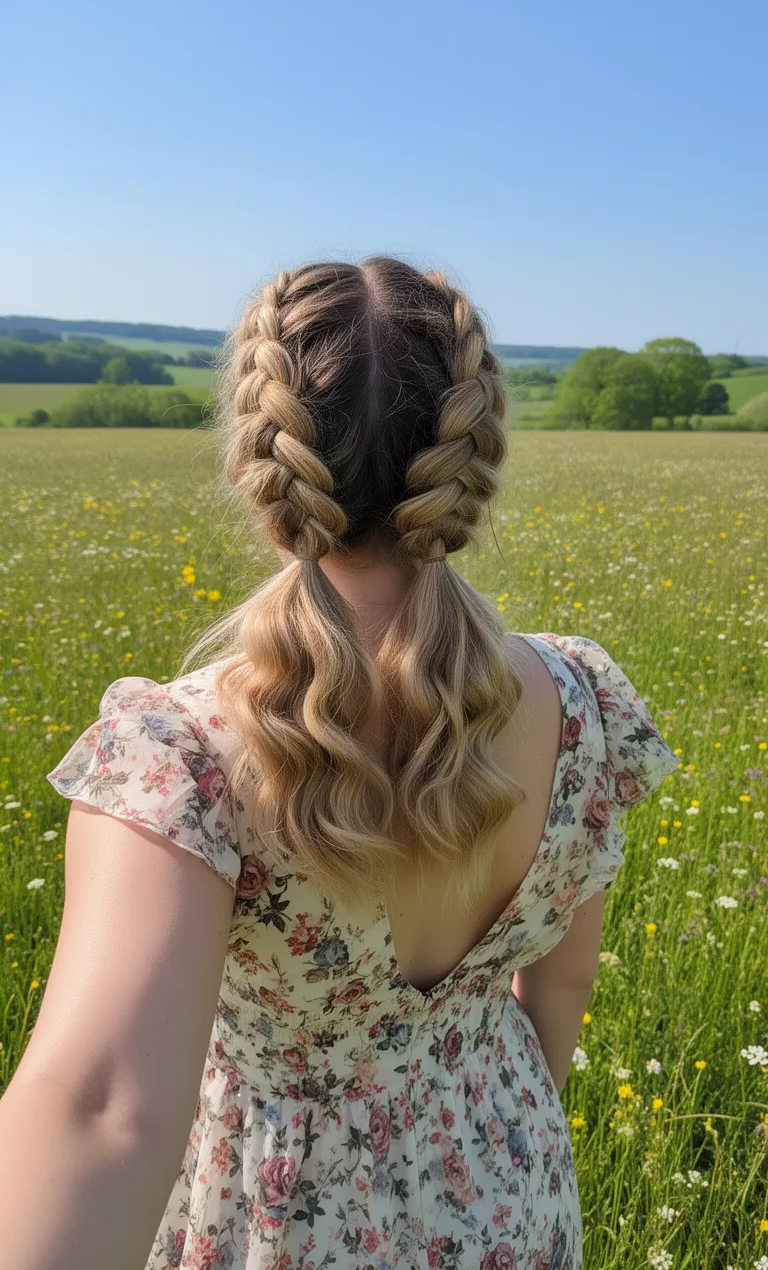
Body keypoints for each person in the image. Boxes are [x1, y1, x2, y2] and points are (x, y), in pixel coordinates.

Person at [0, 257, 678, 1270]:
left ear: (257, 459)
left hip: (272, 1214)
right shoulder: (583, 702)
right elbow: (564, 983)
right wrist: (475, 1114)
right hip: (507, 1183)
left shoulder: (180, 757)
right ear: (473, 457)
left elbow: (103, 1111)